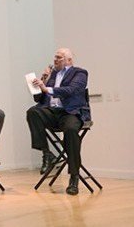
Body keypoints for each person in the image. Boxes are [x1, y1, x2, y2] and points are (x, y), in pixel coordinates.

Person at [26, 48, 90, 195]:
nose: (55, 60)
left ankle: (74, 177)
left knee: (71, 131)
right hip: (53, 112)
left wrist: (48, 89)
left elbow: (71, 90)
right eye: (55, 57)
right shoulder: (52, 74)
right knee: (33, 112)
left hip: (70, 112)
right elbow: (38, 99)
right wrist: (43, 82)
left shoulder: (80, 73)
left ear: (69, 60)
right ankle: (47, 153)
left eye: (59, 58)